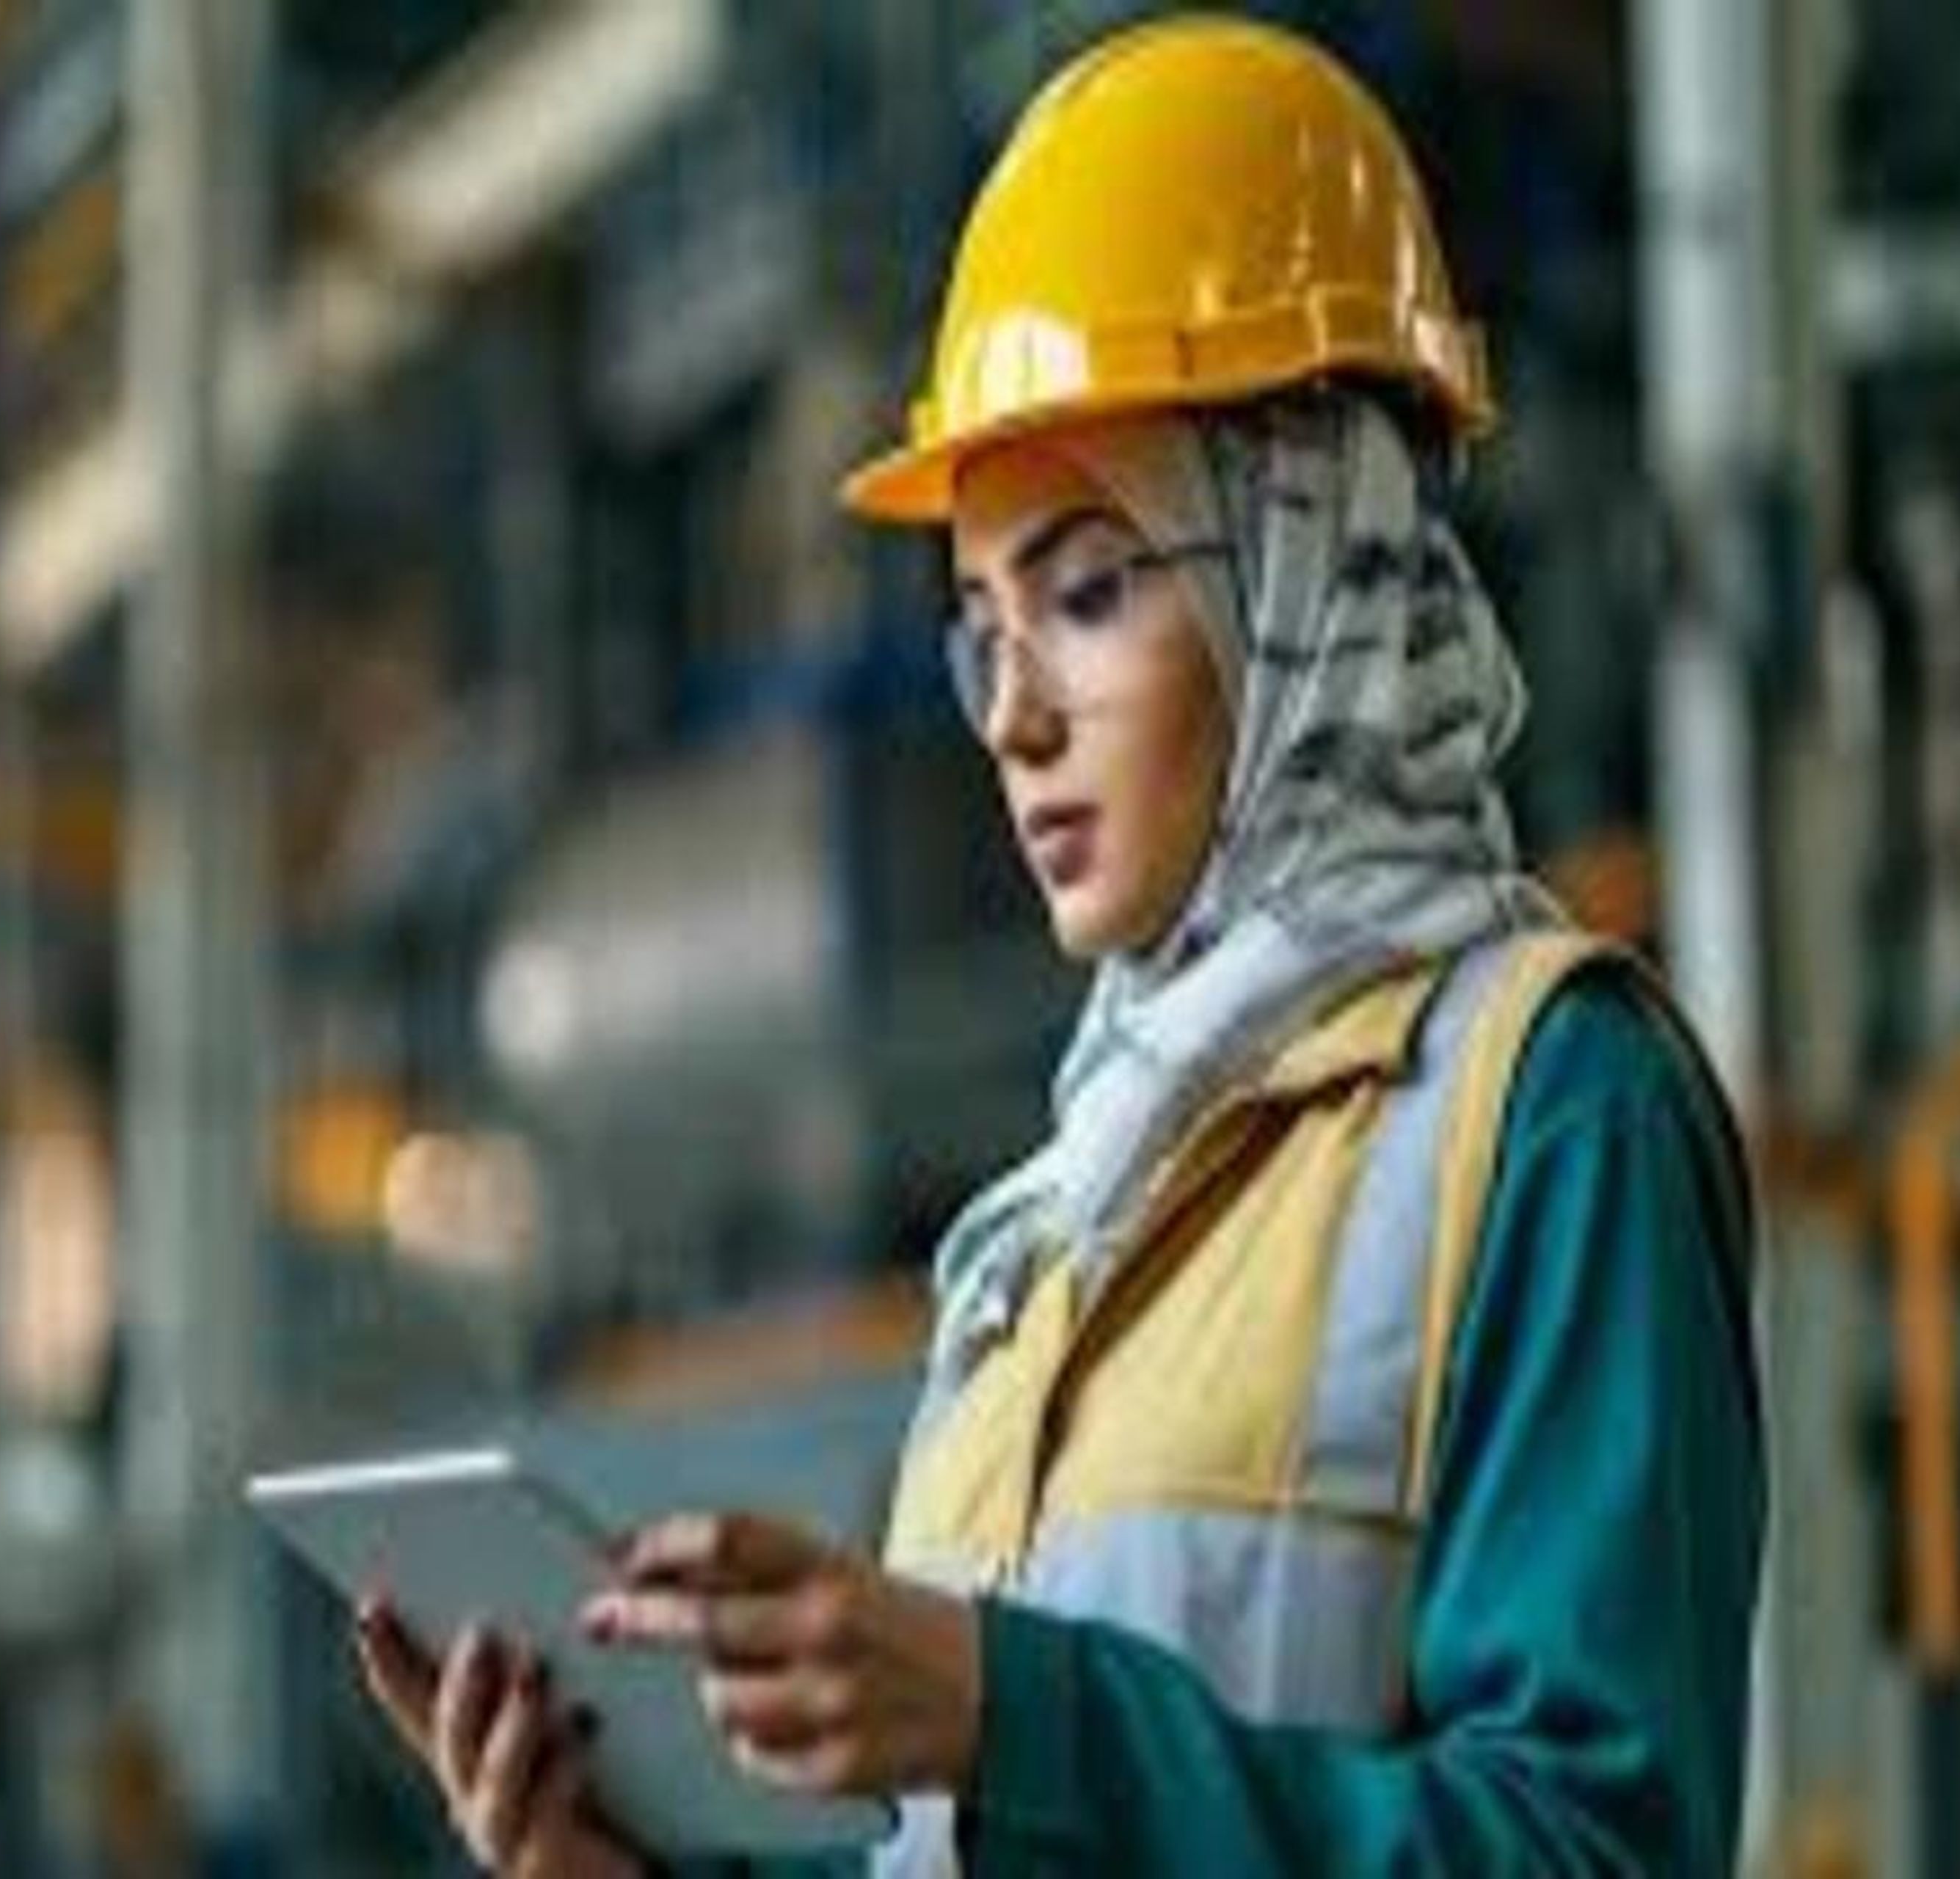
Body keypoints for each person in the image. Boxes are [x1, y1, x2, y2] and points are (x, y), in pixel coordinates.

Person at [351, 16, 1764, 1875]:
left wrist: (1024, 1714)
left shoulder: (1547, 1105)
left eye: (1090, 592)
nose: (1011, 715)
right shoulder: (1046, 1240)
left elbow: (1601, 1853)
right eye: (980, 627)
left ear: (1303, 576)